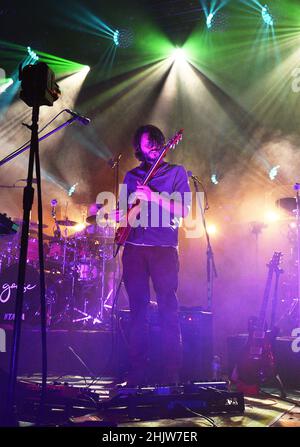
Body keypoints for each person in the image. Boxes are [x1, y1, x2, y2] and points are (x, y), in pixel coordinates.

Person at [118, 124, 191, 386]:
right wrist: (120, 214)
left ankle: (170, 372)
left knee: (167, 309)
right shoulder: (131, 176)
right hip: (135, 250)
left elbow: (184, 210)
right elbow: (124, 215)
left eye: (155, 142)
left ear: (163, 143)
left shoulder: (176, 173)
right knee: (137, 311)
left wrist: (153, 196)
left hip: (164, 249)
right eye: (146, 143)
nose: (151, 147)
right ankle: (138, 371)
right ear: (139, 147)